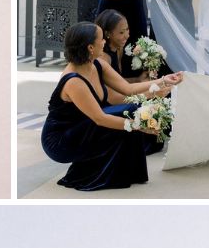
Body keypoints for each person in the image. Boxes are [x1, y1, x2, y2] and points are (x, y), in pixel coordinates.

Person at [40, 21, 182, 190]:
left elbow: (128, 89)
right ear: (90, 47)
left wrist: (163, 81)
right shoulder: (73, 81)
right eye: (101, 39)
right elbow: (100, 119)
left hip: (85, 126)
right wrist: (138, 126)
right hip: (61, 141)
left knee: (132, 109)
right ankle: (93, 173)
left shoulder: (97, 64)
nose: (104, 42)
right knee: (126, 119)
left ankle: (128, 172)